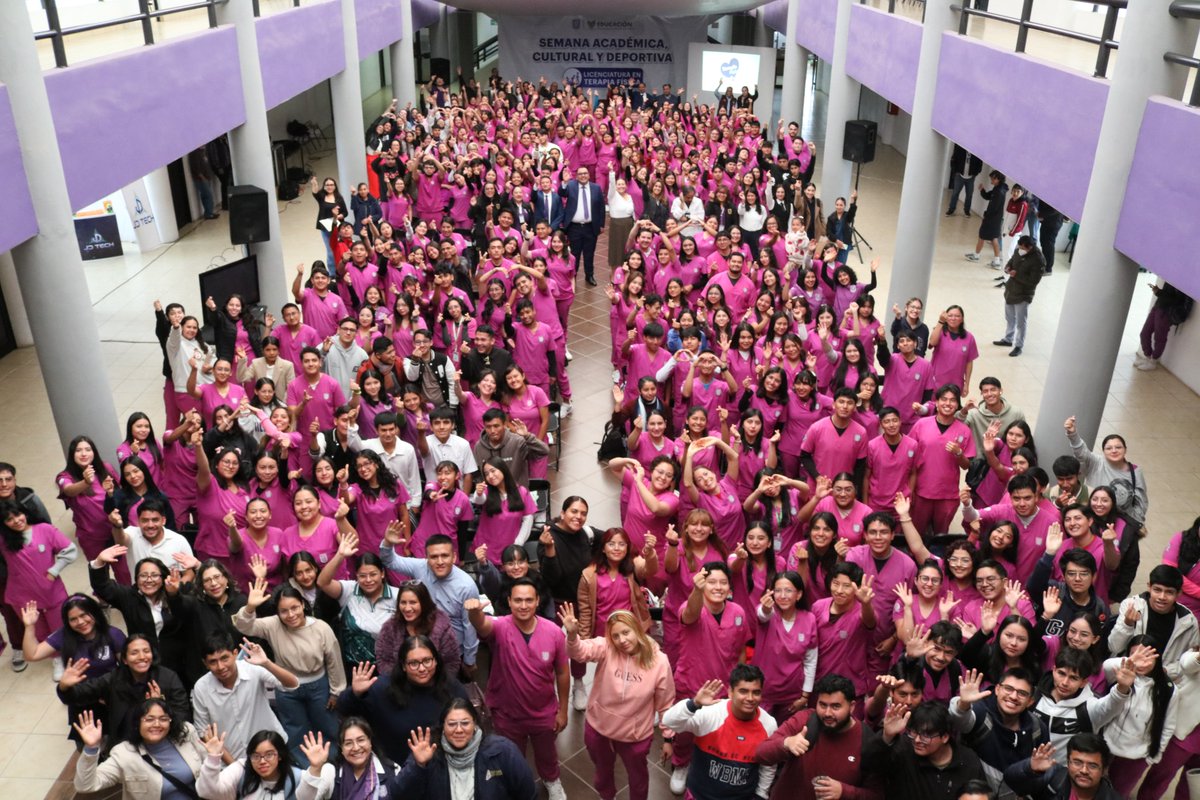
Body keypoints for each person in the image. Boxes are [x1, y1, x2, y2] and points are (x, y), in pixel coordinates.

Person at [466, 579, 569, 800]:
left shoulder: (553, 632)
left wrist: (563, 710)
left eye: (529, 600)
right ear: (509, 602)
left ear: (537, 602)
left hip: (543, 712)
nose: (523, 605)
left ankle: (552, 780)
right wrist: (474, 613)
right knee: (511, 755)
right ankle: (517, 784)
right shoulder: (500, 626)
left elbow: (562, 672)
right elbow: (481, 624)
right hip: (507, 713)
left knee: (547, 753)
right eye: (518, 600)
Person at [559, 603, 674, 800]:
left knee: (638, 778)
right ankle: (607, 796)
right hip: (599, 729)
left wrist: (668, 738)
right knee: (602, 773)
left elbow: (665, 703)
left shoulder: (660, 661)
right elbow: (579, 652)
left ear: (637, 628)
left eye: (626, 632)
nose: (621, 640)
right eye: (615, 636)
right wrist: (572, 635)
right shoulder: (606, 647)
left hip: (635, 736)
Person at [234, 580, 345, 767]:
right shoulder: (272, 625)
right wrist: (250, 607)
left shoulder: (320, 628)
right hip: (286, 688)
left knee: (328, 728)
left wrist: (336, 691)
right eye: (284, 611)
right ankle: (305, 772)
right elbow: (244, 626)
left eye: (295, 607)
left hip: (319, 684)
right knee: (294, 732)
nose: (291, 614)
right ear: (277, 612)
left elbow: (334, 660)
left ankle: (335, 767)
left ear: (303, 604)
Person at [335, 636, 469, 764]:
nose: (422, 668)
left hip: (443, 769)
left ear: (435, 661)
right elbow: (343, 709)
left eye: (427, 661)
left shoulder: (452, 688)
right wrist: (355, 693)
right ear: (403, 666)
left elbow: (470, 726)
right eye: (414, 663)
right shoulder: (383, 689)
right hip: (396, 771)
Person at [755, 673, 882, 800]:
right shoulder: (804, 720)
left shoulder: (866, 740)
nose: (827, 713)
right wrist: (786, 743)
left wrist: (844, 792)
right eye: (822, 705)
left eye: (836, 706)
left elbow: (876, 795)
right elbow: (762, 753)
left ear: (852, 707)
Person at [662, 665, 778, 800]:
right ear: (730, 692)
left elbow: (768, 764)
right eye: (743, 691)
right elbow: (669, 722)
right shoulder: (711, 713)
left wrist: (761, 795)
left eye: (756, 692)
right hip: (700, 795)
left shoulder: (769, 724)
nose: (750, 698)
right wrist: (694, 704)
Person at [387, 698, 538, 799]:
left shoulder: (503, 751)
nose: (459, 730)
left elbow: (529, 794)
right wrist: (418, 766)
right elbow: (397, 795)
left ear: (475, 724)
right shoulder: (428, 752)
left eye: (465, 723)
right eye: (452, 724)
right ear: (443, 726)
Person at [379, 529, 480, 677]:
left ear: (454, 557)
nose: (439, 562)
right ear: (426, 558)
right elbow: (390, 560)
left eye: (445, 556)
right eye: (434, 557)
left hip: (450, 654)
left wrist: (469, 660)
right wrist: (387, 543)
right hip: (419, 652)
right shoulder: (420, 567)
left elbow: (470, 625)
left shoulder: (466, 586)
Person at [191, 632, 297, 761]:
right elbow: (204, 732)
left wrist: (267, 663)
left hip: (272, 751)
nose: (220, 667)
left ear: (235, 654)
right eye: (213, 662)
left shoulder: (252, 669)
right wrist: (235, 768)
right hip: (234, 758)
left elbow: (292, 685)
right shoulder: (201, 687)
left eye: (225, 658)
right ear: (205, 663)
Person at [72, 700, 206, 800]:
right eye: (149, 719)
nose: (157, 724)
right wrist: (91, 748)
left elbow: (209, 767)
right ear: (137, 723)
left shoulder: (186, 733)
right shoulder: (123, 754)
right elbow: (85, 786)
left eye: (163, 719)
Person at [949, 667, 1049, 793]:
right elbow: (960, 721)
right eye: (1008, 689)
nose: (1013, 696)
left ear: (1030, 701)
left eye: (1022, 693)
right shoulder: (981, 712)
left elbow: (1039, 772)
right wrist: (963, 704)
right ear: (997, 689)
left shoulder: (1037, 728)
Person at [866, 701, 986, 800]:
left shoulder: (968, 761)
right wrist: (886, 737)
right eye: (914, 732)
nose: (917, 740)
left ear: (945, 737)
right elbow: (869, 764)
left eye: (926, 736)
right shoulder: (903, 749)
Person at [1108, 564, 1199, 678]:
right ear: (1149, 587)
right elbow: (1115, 647)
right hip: (1128, 674)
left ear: (1179, 593)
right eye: (1157, 590)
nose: (1162, 596)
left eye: (1169, 592)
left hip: (1164, 681)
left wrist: (1165, 671)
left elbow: (1190, 661)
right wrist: (1127, 624)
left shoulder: (1188, 622)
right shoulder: (1132, 606)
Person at [1063, 415, 1148, 530]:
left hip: (1122, 524)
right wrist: (1073, 435)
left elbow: (1141, 501)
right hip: (1092, 521)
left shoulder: (1135, 471)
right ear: (1103, 451)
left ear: (1125, 449)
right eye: (1109, 448)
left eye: (1118, 447)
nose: (1114, 451)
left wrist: (1134, 524)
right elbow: (1082, 452)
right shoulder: (1096, 462)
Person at [295, 717, 403, 800]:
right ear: (341, 748)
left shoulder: (392, 769)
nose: (356, 748)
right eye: (348, 743)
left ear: (370, 742)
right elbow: (304, 798)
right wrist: (315, 768)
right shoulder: (331, 772)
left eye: (361, 740)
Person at [374, 580, 461, 678]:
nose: (407, 608)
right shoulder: (390, 628)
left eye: (413, 602)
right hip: (400, 686)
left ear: (424, 603)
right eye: (403, 602)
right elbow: (384, 660)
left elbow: (451, 662)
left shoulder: (441, 626)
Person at [1004, 733, 1122, 800]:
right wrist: (1029, 768)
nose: (1084, 771)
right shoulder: (1053, 778)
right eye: (1077, 762)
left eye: (1093, 766)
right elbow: (1011, 781)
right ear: (1068, 762)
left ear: (1104, 769)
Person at [197, 729, 303, 800]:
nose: (262, 761)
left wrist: (316, 769)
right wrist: (213, 758)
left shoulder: (297, 777)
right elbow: (206, 792)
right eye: (256, 756)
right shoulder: (241, 769)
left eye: (269, 755)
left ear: (280, 755)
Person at [993, 235, 1045, 357]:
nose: (1020, 249)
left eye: (1022, 247)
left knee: (1021, 322)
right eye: (1019, 246)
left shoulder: (1038, 260)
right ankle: (1008, 339)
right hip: (1011, 290)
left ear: (1029, 247)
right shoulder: (1018, 250)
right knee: (1010, 318)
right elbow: (1012, 260)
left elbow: (1033, 281)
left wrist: (1016, 275)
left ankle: (1018, 346)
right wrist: (1008, 267)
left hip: (1023, 295)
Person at [562, 166, 605, 286]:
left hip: (590, 227)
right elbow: (561, 192)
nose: (583, 176)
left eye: (585, 173)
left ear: (589, 175)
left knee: (589, 253)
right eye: (580, 174)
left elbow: (601, 207)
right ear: (576, 176)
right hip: (574, 227)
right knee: (574, 254)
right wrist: (565, 182)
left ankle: (589, 275)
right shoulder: (570, 186)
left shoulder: (596, 188)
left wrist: (601, 224)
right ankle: (573, 277)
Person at [1135, 280, 1193, 370]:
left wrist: (1159, 292)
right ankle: (1148, 357)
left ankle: (1153, 362)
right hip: (1158, 307)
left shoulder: (1185, 281)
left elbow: (1177, 300)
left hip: (1166, 312)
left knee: (1160, 338)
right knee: (1144, 333)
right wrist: (1158, 291)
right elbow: (1167, 294)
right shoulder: (1171, 275)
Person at [966, 170, 1008, 266]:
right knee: (994, 238)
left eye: (992, 179)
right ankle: (996, 261)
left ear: (997, 179)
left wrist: (986, 216)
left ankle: (976, 256)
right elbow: (988, 196)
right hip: (994, 219)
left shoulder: (999, 192)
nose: (991, 181)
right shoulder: (998, 189)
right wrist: (982, 190)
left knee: (982, 236)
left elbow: (994, 207)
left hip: (992, 219)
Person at [947, 145, 982, 216]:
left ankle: (967, 211)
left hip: (970, 177)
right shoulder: (960, 148)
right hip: (959, 176)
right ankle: (951, 209)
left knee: (969, 195)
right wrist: (955, 172)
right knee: (955, 193)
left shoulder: (976, 151)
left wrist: (975, 173)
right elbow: (953, 160)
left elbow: (980, 163)